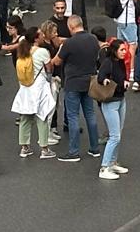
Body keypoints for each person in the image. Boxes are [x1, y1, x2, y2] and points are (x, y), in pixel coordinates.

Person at [48, 15, 101, 163]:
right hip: (89, 81)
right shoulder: (93, 40)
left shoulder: (70, 44)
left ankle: (74, 152)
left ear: (71, 27)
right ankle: (95, 148)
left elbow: (57, 61)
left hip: (73, 83)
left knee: (73, 117)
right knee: (90, 114)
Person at [11, 28, 57, 160]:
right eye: (41, 34)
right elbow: (49, 68)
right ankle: (44, 148)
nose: (43, 36)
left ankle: (24, 147)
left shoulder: (23, 50)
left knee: (25, 117)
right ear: (36, 38)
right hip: (39, 87)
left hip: (26, 87)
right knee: (41, 116)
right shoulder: (42, 52)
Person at [95, 36, 129, 179]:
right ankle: (104, 167)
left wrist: (125, 82)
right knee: (114, 136)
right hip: (110, 102)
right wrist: (105, 80)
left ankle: (112, 162)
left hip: (120, 99)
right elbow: (100, 77)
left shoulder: (120, 62)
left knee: (118, 134)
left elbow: (122, 77)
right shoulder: (108, 63)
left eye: (125, 49)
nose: (124, 52)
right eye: (121, 50)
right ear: (114, 50)